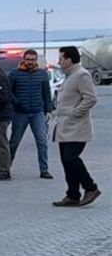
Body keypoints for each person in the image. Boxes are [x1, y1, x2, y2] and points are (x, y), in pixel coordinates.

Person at [51, 45, 100, 207]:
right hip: (64, 127)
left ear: (69, 60)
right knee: (66, 161)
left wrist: (75, 112)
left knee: (71, 158)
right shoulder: (69, 75)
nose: (58, 61)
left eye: (61, 58)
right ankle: (72, 195)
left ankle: (90, 187)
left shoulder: (81, 75)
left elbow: (91, 98)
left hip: (77, 127)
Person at [8, 48, 55, 178]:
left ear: (36, 60)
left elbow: (46, 93)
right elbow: (8, 92)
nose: (30, 62)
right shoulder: (14, 74)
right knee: (14, 142)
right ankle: (6, 168)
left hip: (37, 113)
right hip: (20, 113)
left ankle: (44, 170)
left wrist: (49, 110)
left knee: (42, 142)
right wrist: (16, 103)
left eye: (32, 60)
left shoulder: (42, 74)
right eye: (28, 59)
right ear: (23, 59)